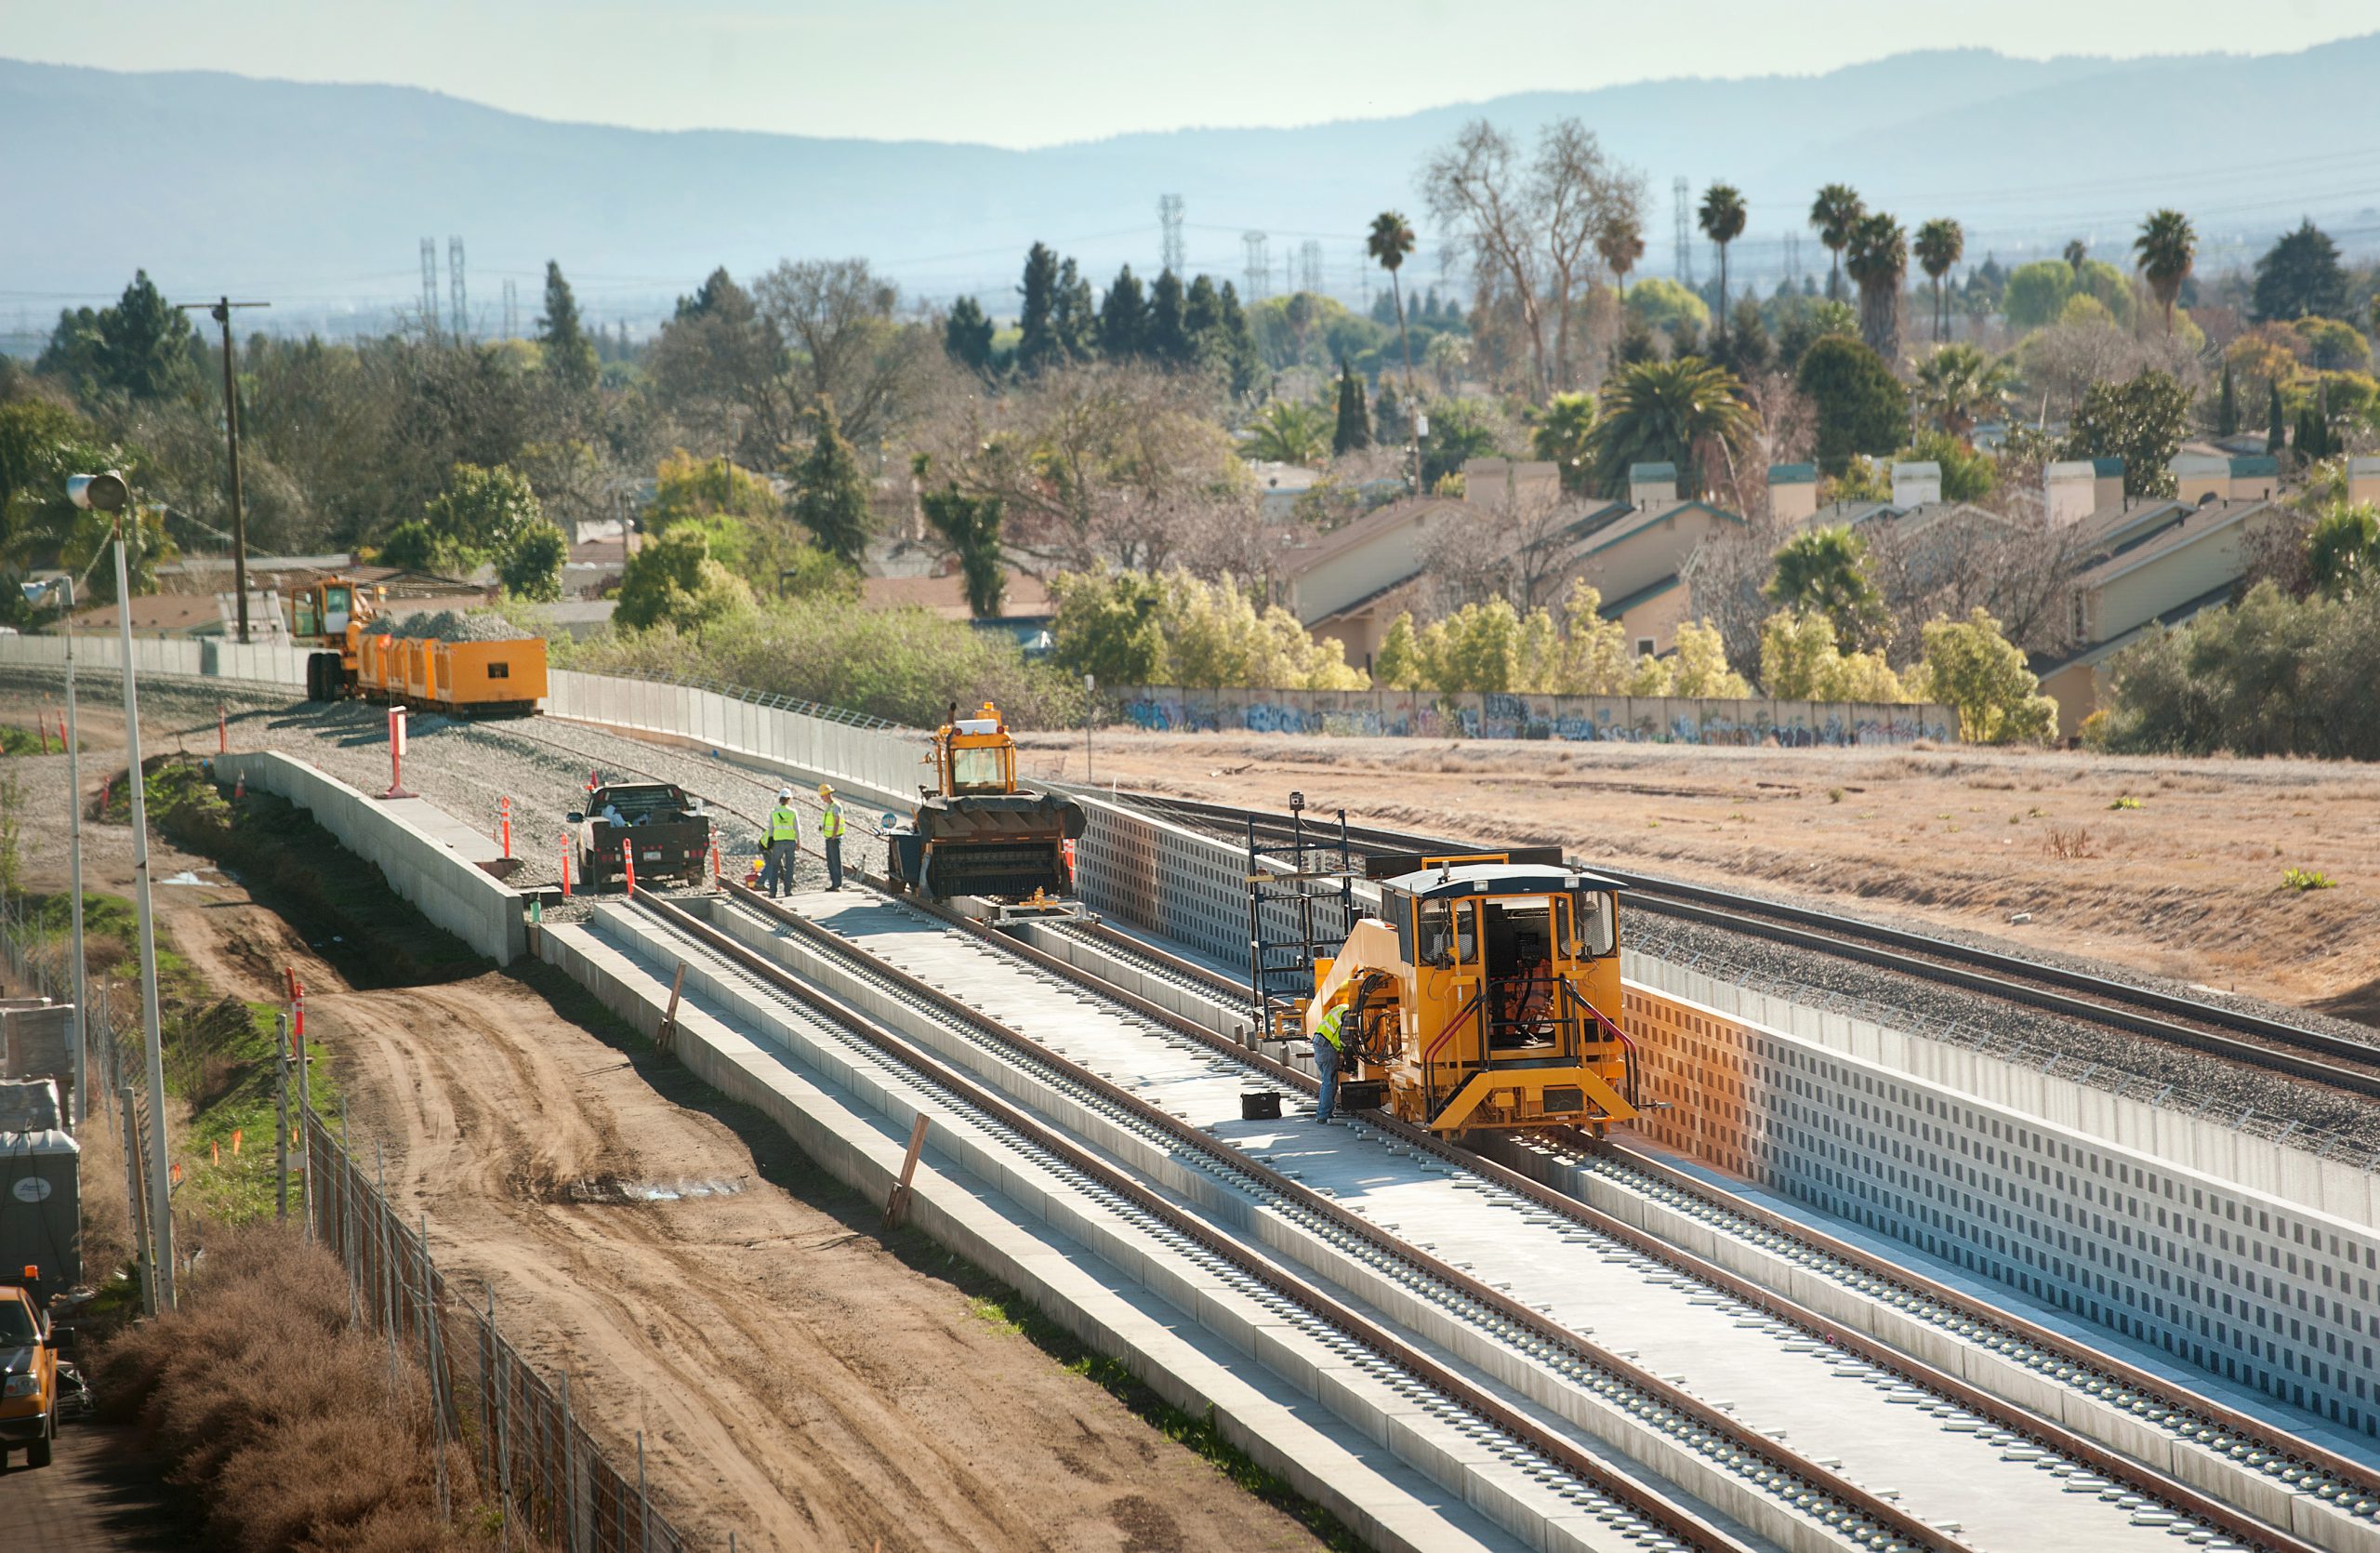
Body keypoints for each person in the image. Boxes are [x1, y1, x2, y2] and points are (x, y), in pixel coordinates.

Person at [760, 788, 801, 897]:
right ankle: (788, 891)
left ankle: (773, 892)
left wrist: (769, 841)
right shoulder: (792, 812)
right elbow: (797, 828)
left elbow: (771, 828)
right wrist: (798, 841)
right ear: (789, 799)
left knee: (774, 866)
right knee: (789, 866)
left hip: (778, 842)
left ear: (780, 799)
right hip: (790, 841)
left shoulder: (774, 812)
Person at [1312, 998, 1347, 1124]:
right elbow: (1344, 1039)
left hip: (1319, 1044)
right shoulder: (1348, 1013)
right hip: (1327, 1048)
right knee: (1329, 1082)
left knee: (1326, 1081)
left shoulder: (1341, 1008)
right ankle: (1323, 1115)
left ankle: (1324, 1112)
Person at [817, 784, 846, 891]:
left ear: (828, 795)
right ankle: (834, 883)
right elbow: (828, 820)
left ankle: (838, 884)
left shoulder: (835, 806)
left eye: (823, 796)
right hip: (828, 837)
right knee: (830, 861)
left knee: (835, 861)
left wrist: (834, 835)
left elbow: (837, 820)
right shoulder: (828, 807)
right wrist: (822, 826)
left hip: (834, 838)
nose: (821, 798)